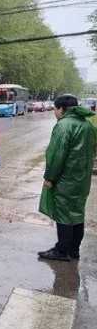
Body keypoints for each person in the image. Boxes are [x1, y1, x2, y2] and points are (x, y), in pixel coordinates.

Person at [38, 94, 96, 262]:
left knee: (64, 215)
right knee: (77, 214)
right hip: (82, 179)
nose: (54, 113)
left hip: (66, 179)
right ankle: (74, 250)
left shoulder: (64, 126)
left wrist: (50, 177)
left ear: (61, 109)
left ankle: (62, 250)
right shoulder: (88, 125)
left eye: (55, 109)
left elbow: (57, 155)